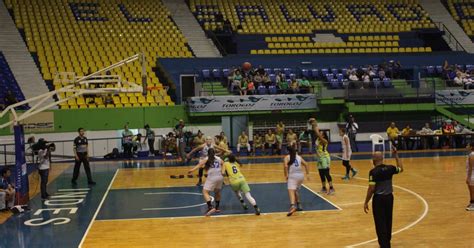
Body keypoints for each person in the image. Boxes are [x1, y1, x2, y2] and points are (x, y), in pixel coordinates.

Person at [364, 147, 404, 248]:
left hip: (379, 200)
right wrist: (396, 155)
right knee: (388, 220)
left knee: (380, 222)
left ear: (373, 160)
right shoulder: (390, 168)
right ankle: (387, 242)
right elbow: (401, 168)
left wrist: (366, 202)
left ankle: (384, 245)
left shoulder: (373, 172)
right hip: (389, 198)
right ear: (382, 159)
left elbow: (371, 189)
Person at [187, 148, 224, 216]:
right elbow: (223, 163)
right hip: (220, 177)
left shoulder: (206, 159)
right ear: (214, 153)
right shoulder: (218, 158)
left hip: (212, 177)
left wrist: (192, 170)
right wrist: (222, 171)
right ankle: (217, 207)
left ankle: (210, 207)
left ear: (208, 153)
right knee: (217, 192)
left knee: (205, 191)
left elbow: (199, 165)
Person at [283, 146, 309, 216]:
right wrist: (308, 174)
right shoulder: (298, 156)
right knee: (295, 190)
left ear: (288, 151)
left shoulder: (287, 157)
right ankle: (299, 204)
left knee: (291, 190)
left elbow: (285, 166)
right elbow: (306, 164)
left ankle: (292, 206)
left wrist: (286, 175)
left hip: (293, 176)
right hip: (301, 176)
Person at [311, 119, 335, 195]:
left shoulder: (324, 140)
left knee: (326, 173)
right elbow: (315, 130)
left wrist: (315, 122)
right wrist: (313, 124)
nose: (319, 133)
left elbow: (317, 132)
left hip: (325, 157)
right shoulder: (318, 139)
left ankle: (331, 188)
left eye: (321, 133)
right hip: (319, 158)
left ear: (323, 135)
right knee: (321, 173)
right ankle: (324, 188)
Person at [466, 143, 474, 211]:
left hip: (472, 175)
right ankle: (471, 203)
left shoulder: (471, 155)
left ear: (471, 147)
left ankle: (473, 204)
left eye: (468, 145)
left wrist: (468, 177)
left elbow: (471, 167)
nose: (466, 146)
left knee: (472, 191)